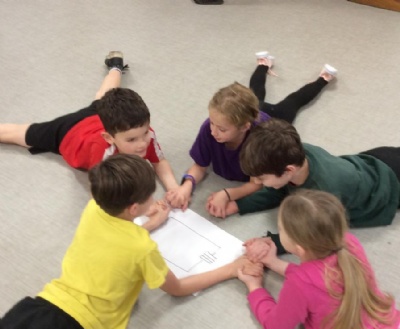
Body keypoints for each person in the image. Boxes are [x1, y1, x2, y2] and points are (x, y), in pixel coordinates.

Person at [0, 154, 261, 329]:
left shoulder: (94, 207)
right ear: (134, 207)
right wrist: (230, 268)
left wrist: (150, 224)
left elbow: (117, 239)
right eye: (149, 197)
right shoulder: (142, 248)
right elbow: (178, 288)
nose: (154, 200)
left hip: (35, 308)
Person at [238, 189, 400, 329]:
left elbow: (276, 327)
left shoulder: (300, 284)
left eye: (281, 228)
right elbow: (321, 280)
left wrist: (255, 287)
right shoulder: (349, 243)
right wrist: (275, 263)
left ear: (299, 248)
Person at [166, 52, 336, 216]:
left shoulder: (261, 140)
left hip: (274, 118)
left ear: (244, 127)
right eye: (211, 123)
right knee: (256, 91)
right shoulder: (210, 128)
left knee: (293, 101)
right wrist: (186, 187)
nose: (213, 131)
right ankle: (263, 65)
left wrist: (228, 194)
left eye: (222, 129)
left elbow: (258, 182)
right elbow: (199, 165)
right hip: (251, 111)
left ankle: (323, 79)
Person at [0, 51, 181, 194]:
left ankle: (116, 67)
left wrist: (174, 189)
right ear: (109, 138)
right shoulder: (103, 154)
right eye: (132, 140)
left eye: (145, 133)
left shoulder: (144, 133)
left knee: (105, 95)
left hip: (99, 116)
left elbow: (159, 162)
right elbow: (101, 194)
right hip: (67, 133)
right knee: (17, 134)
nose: (142, 144)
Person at [223, 118, 400, 252]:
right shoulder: (294, 155)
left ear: (289, 170)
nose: (256, 182)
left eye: (261, 178)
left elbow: (314, 237)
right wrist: (238, 205)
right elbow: (279, 189)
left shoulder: (322, 194)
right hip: (374, 161)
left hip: (391, 186)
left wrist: (273, 243)